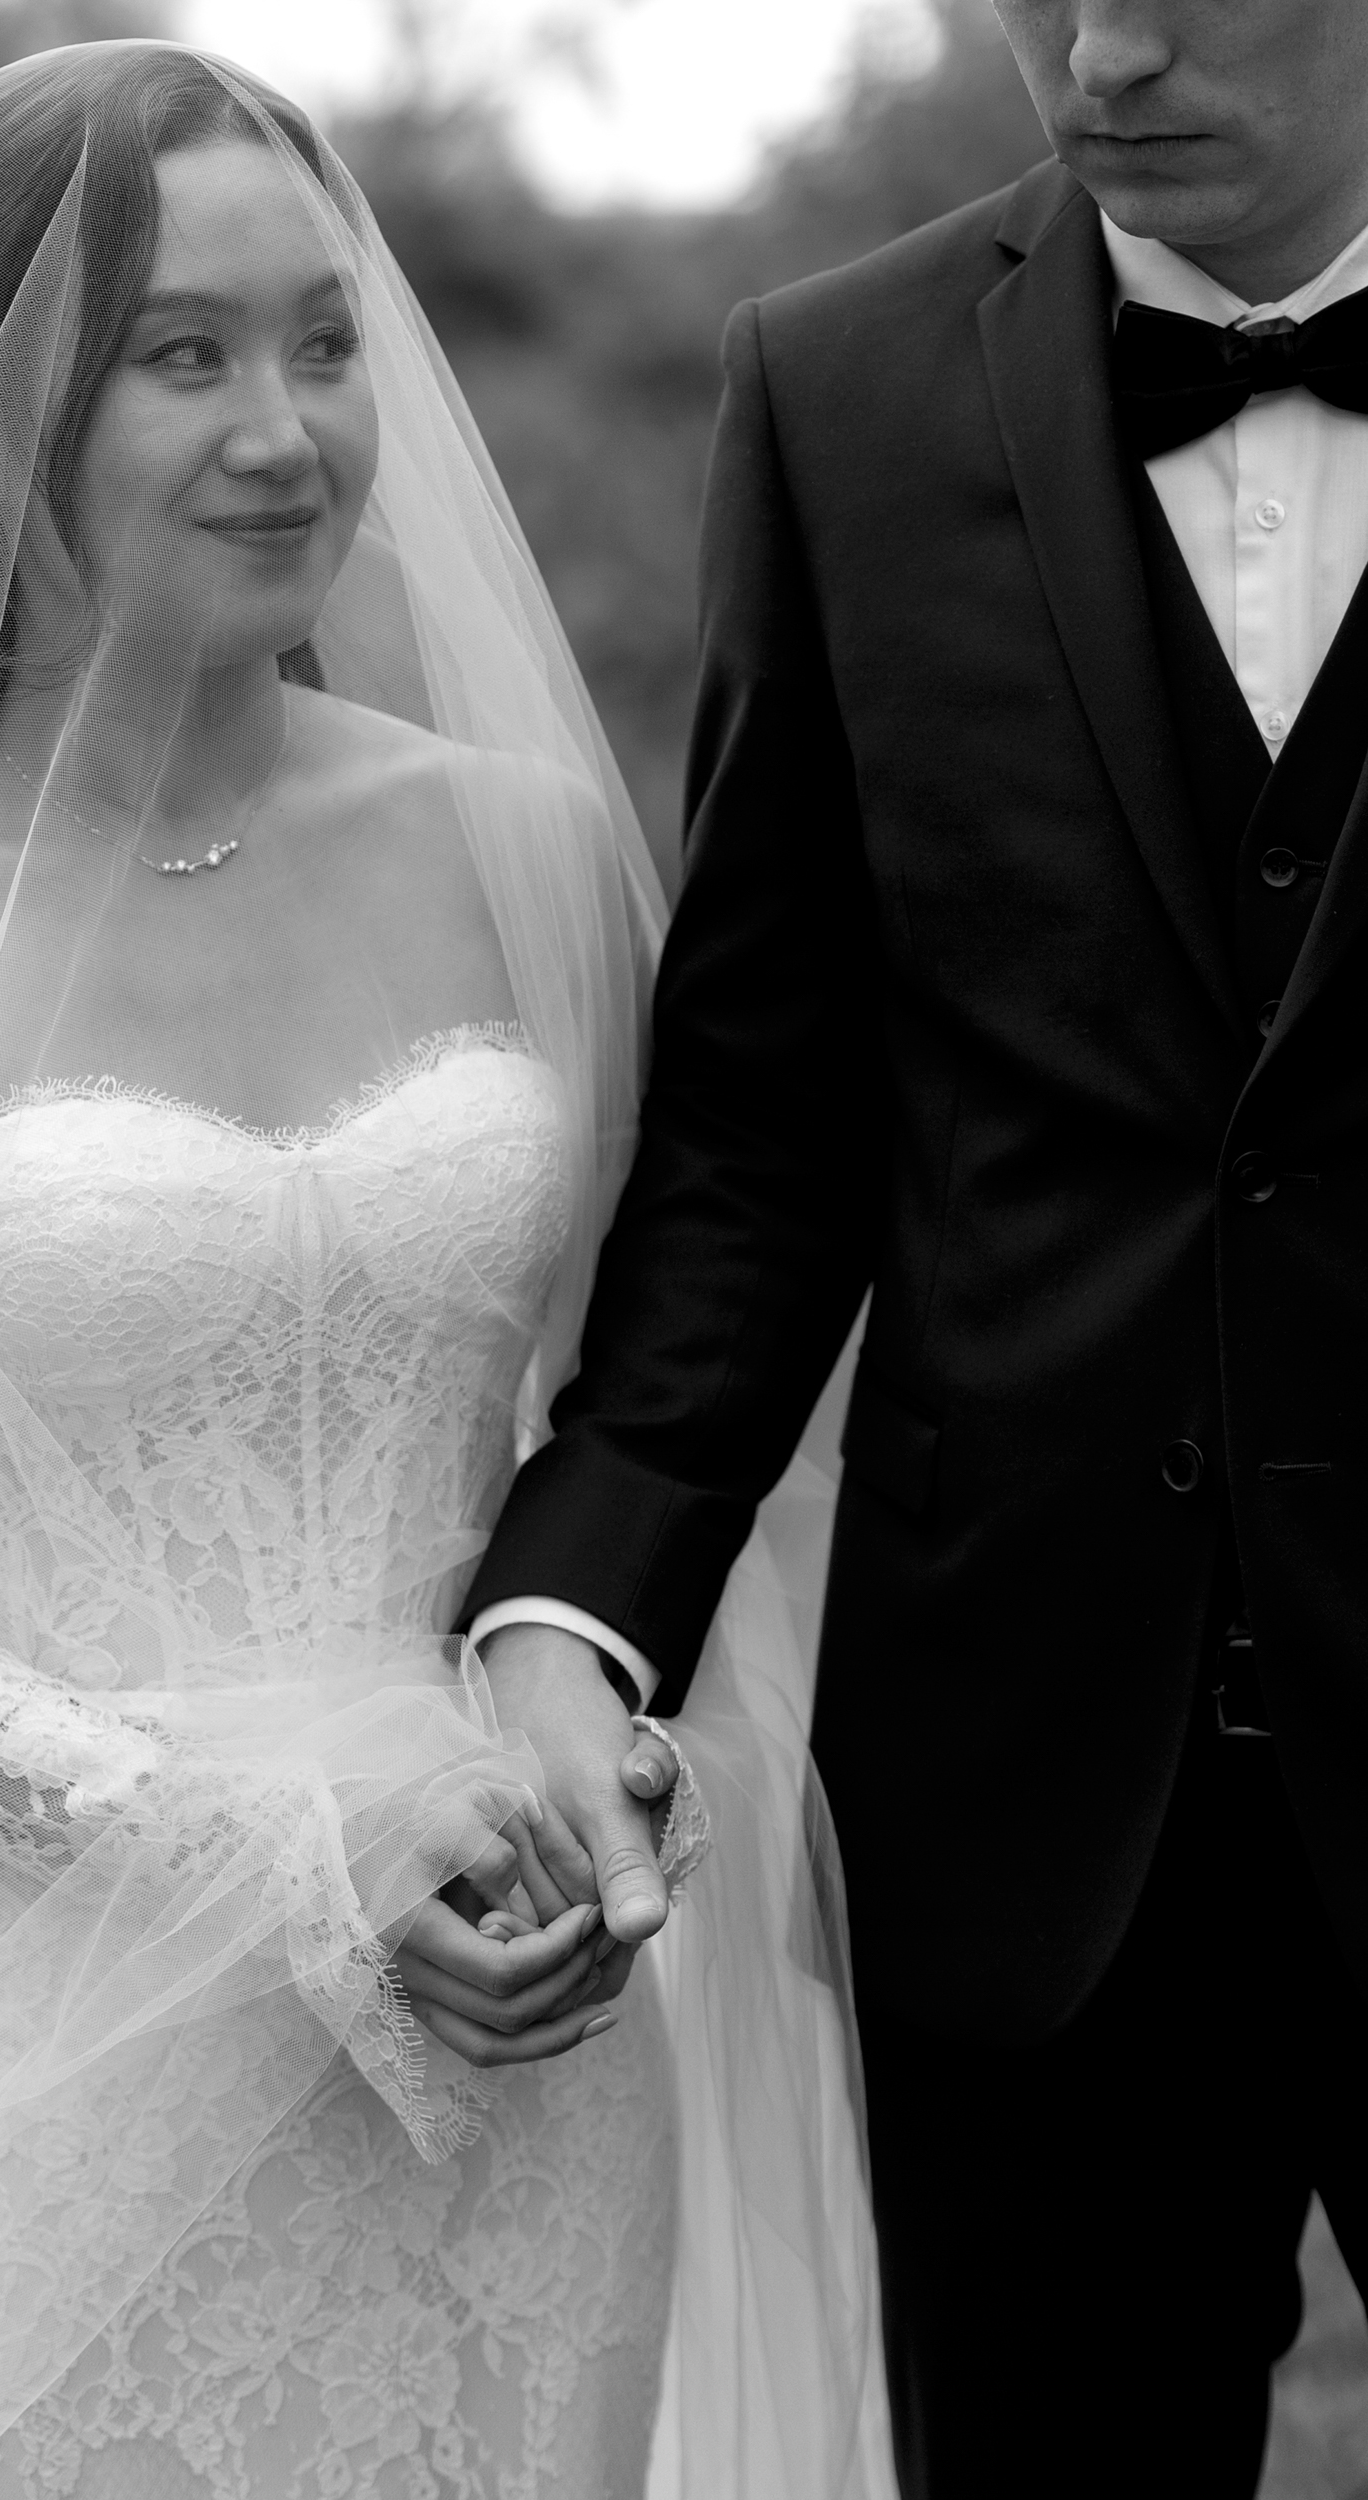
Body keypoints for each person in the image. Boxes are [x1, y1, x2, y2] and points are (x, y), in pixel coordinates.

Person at [0, 42, 888, 2500]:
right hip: (71, 2075)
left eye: (325, 341)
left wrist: (605, 1758)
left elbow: (666, 1416)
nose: (288, 431)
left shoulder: (526, 845)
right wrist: (274, 1840)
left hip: (522, 2038)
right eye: (184, 353)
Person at [462, 0, 1368, 2489]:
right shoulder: (834, 390)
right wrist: (577, 1591)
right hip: (1020, 1808)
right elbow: (768, 1119)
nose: (1099, 53)